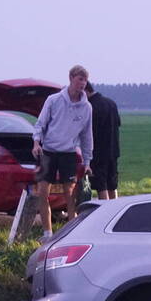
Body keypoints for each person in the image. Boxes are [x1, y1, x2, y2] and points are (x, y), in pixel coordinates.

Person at [33, 65, 94, 240]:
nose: (82, 83)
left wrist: (87, 162)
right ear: (71, 78)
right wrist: (36, 143)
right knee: (43, 192)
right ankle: (47, 233)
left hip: (68, 153)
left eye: (85, 80)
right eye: (79, 79)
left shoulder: (87, 107)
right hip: (48, 151)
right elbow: (40, 124)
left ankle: (71, 234)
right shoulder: (53, 100)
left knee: (70, 193)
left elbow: (87, 136)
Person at [85, 81, 121, 199]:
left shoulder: (90, 107)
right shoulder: (112, 103)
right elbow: (118, 124)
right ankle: (115, 207)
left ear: (86, 91)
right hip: (113, 150)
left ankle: (105, 209)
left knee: (101, 185)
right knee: (112, 184)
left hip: (98, 151)